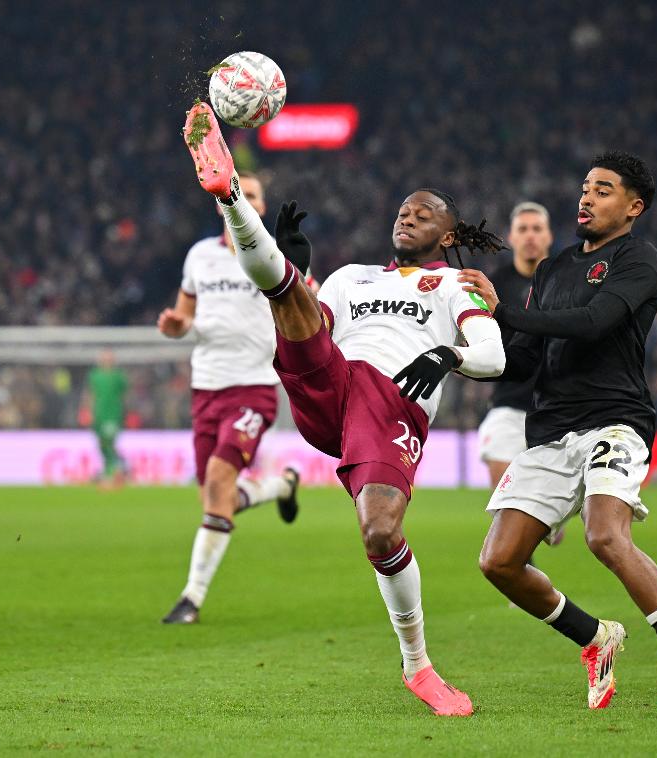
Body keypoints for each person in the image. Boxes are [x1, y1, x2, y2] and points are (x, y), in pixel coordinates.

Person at [183, 102, 506, 716]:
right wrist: (302, 271)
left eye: (424, 212)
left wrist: (448, 356)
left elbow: (493, 357)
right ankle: (229, 199)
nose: (407, 216)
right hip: (330, 387)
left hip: (391, 404)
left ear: (449, 233)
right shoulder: (350, 278)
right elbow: (311, 324)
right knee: (285, 291)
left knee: (380, 531)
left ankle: (418, 668)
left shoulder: (456, 286)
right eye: (403, 209)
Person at [460, 151, 657, 713]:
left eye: (603, 190)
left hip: (616, 419)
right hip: (552, 430)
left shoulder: (639, 260)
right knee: (498, 562)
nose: (586, 197)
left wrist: (505, 310)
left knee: (604, 535)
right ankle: (595, 639)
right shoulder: (553, 271)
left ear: (634, 207)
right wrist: (457, 353)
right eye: (585, 187)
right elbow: (524, 359)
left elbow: (593, 324)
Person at [158, 169, 300, 625]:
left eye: (252, 194)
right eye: (236, 192)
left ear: (259, 207)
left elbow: (305, 303)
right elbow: (184, 316)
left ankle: (191, 599)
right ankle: (280, 485)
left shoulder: (272, 257)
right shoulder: (199, 256)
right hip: (206, 387)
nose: (242, 199)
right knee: (214, 501)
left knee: (219, 481)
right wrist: (177, 327)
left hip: (254, 387)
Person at [476, 202, 565, 555]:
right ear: (512, 237)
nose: (530, 236)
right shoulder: (494, 285)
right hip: (509, 404)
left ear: (549, 237)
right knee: (503, 495)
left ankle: (547, 520)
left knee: (551, 517)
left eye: (537, 229)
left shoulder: (565, 281)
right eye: (523, 229)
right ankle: (517, 568)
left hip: (557, 406)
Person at [81, 349, 128, 488]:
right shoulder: (94, 375)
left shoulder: (119, 376)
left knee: (108, 443)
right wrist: (86, 411)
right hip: (98, 415)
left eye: (109, 358)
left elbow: (124, 396)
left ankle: (111, 474)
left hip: (113, 415)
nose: (107, 360)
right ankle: (118, 468)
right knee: (102, 444)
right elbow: (90, 394)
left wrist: (126, 413)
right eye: (105, 358)